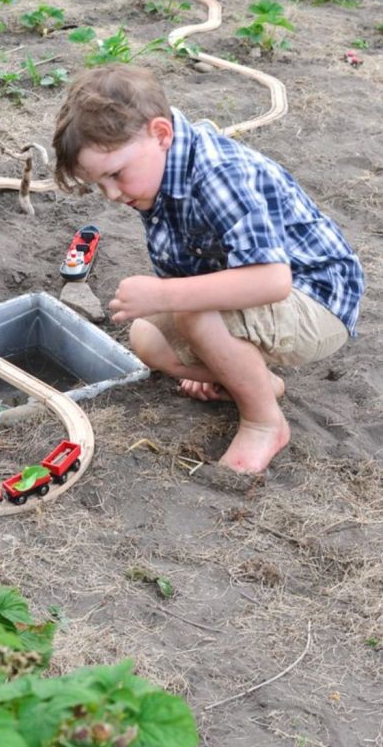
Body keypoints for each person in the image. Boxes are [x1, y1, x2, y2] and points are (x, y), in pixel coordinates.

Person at [52, 66, 365, 474]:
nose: (111, 194)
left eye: (115, 174)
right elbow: (195, 275)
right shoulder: (155, 174)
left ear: (160, 134)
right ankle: (252, 381)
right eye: (99, 184)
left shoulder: (219, 172)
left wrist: (166, 298)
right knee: (146, 336)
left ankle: (264, 422)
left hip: (317, 300)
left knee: (192, 310)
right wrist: (205, 346)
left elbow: (272, 280)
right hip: (265, 299)